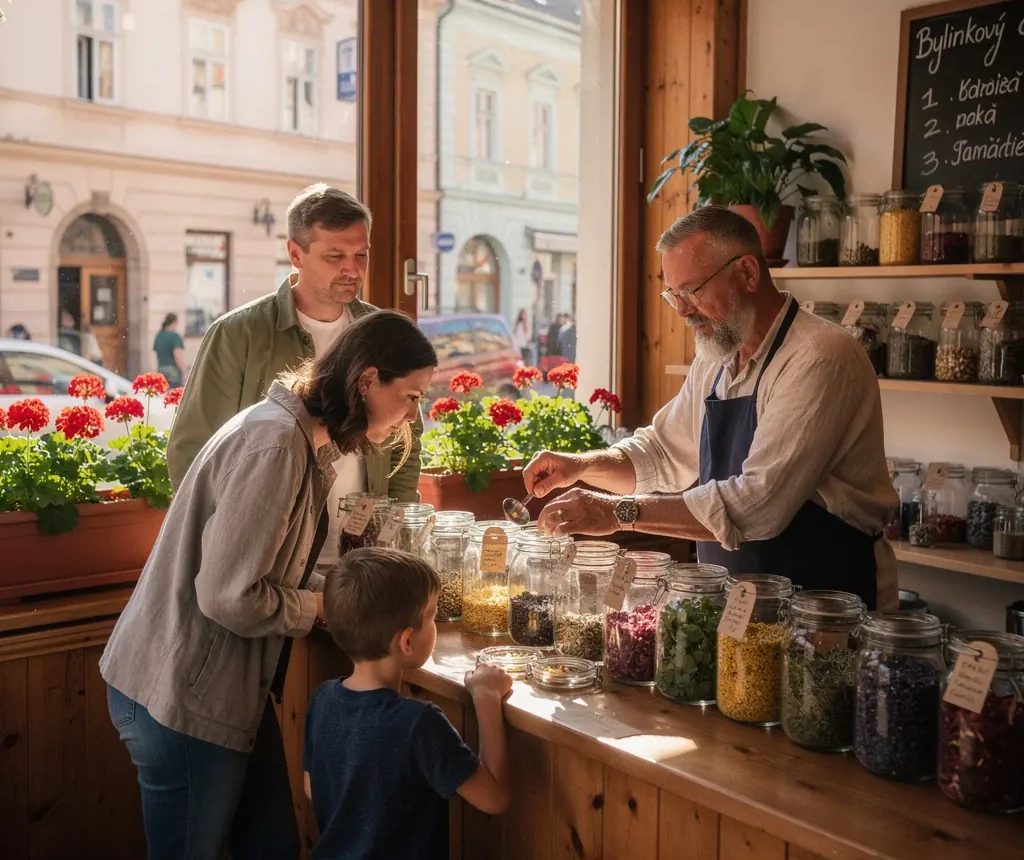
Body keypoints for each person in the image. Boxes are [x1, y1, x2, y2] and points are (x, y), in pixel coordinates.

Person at [100, 310, 438, 860]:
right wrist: (324, 606)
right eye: (413, 395)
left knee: (273, 847)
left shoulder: (300, 437)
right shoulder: (277, 445)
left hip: (220, 693)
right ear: (369, 380)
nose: (412, 416)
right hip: (181, 694)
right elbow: (229, 595)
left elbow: (269, 566)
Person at [525, 206, 898, 611]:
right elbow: (665, 452)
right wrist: (581, 467)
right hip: (737, 600)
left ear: (749, 273)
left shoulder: (819, 357)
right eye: (674, 295)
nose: (683, 310)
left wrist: (617, 513)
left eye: (693, 291)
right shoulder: (718, 354)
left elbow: (758, 505)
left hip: (824, 604)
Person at [167, 184, 424, 579]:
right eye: (335, 256)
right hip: (273, 565)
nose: (352, 269)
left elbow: (407, 445)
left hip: (363, 561)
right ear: (295, 254)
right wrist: (230, 552)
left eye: (361, 255)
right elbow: (194, 452)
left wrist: (398, 541)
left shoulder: (382, 335)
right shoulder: (238, 334)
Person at [304, 549, 511, 859]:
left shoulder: (323, 698)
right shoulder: (419, 723)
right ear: (407, 641)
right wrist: (487, 697)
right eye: (432, 615)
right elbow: (494, 798)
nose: (436, 623)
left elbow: (311, 788)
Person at [153, 312, 186, 388]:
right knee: (175, 396)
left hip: (161, 370)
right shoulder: (175, 336)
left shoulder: (159, 336)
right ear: (174, 322)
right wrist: (184, 372)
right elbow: (178, 356)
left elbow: (157, 353)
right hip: (173, 373)